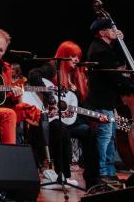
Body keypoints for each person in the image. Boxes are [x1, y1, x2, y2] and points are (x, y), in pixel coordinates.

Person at [28, 40, 101, 187]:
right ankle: (64, 175)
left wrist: (97, 116)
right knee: (60, 130)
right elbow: (33, 74)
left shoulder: (77, 76)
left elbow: (78, 107)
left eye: (78, 57)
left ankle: (92, 180)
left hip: (71, 119)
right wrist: (50, 98)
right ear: (64, 55)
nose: (76, 60)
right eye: (73, 56)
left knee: (91, 132)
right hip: (53, 118)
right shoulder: (52, 68)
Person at [85, 18, 134, 185]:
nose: (114, 30)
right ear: (102, 32)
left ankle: (109, 170)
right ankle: (103, 172)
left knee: (110, 136)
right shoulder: (101, 50)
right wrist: (133, 85)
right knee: (105, 136)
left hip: (106, 101)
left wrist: (120, 41)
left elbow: (115, 66)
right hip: (101, 101)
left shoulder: (103, 47)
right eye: (111, 28)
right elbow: (114, 76)